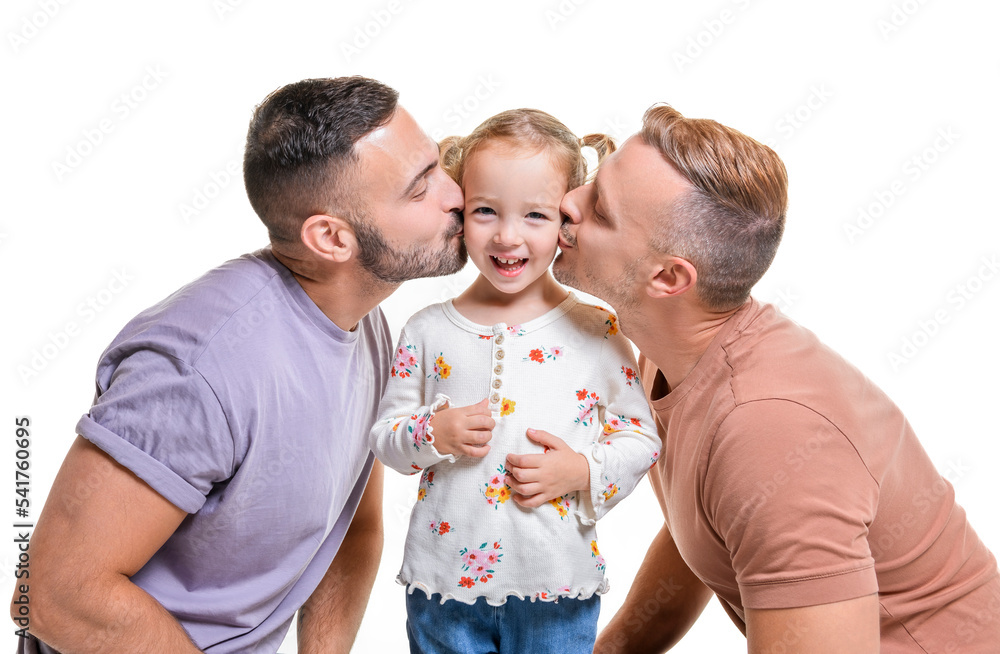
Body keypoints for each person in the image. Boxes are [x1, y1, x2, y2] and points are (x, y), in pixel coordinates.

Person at [12, 76, 467, 653]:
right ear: (331, 238)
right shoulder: (197, 370)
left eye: (436, 164)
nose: (455, 194)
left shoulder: (365, 319)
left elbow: (352, 525)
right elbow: (55, 595)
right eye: (419, 188)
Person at [553, 103, 1000, 653]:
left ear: (668, 278)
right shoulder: (665, 349)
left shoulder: (767, 430)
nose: (567, 203)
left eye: (600, 210)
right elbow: (711, 527)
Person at [369, 109, 661, 654]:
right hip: (444, 585)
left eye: (535, 215)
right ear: (461, 211)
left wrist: (582, 469)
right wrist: (433, 433)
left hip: (556, 583)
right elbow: (387, 441)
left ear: (566, 220)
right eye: (486, 211)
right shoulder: (427, 329)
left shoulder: (598, 330)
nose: (507, 235)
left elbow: (642, 437)